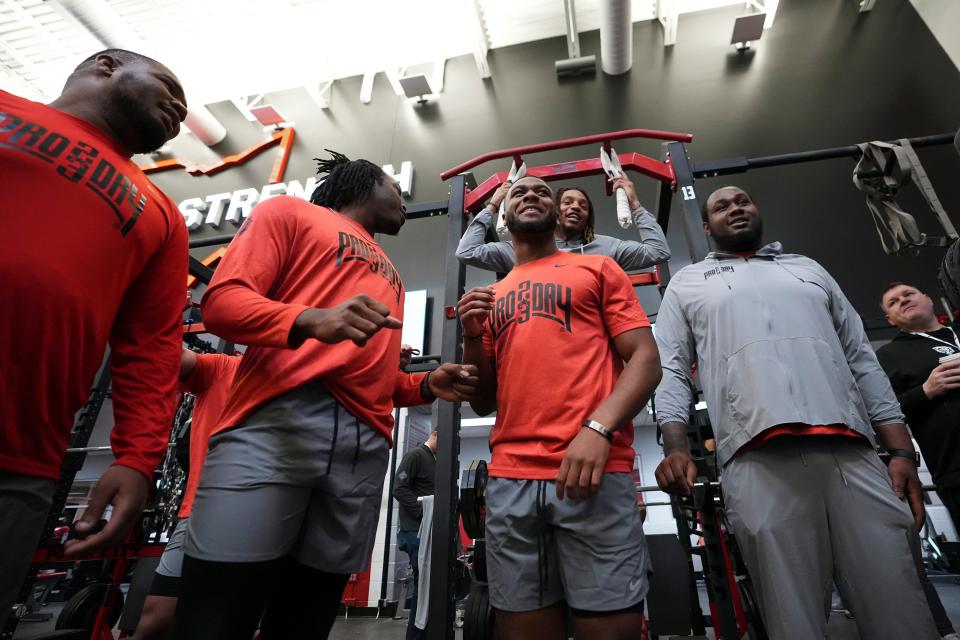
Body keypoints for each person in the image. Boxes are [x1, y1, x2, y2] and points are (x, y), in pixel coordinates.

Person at [171, 151, 479, 640]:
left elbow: (367, 375)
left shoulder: (393, 273)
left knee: (307, 616)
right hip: (279, 421)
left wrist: (423, 385)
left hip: (364, 444)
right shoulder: (288, 213)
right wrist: (311, 319)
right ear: (363, 182)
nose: (403, 200)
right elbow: (223, 303)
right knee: (218, 611)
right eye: (395, 190)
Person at [653, 185, 939, 639]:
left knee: (900, 606)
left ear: (757, 210)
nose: (736, 208)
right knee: (793, 619)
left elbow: (861, 358)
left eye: (744, 200)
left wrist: (901, 451)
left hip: (852, 456)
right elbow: (669, 368)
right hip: (755, 459)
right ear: (707, 228)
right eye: (722, 206)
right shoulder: (687, 284)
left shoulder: (808, 269)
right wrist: (675, 445)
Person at [0, 49, 189, 627]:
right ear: (105, 66)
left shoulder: (161, 213)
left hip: (20, 460)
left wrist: (138, 458)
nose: (180, 108)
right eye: (168, 86)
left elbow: (151, 349)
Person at [457, 176, 662, 640]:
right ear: (503, 216)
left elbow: (646, 360)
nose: (531, 195)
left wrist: (598, 428)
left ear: (557, 215)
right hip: (510, 481)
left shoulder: (599, 270)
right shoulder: (495, 294)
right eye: (520, 192)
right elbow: (483, 400)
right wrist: (471, 336)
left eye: (542, 192)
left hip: (591, 471)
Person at [132, 349, 241, 640]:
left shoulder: (303, 381)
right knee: (157, 620)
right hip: (203, 512)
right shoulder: (222, 368)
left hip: (270, 516)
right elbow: (164, 353)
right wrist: (165, 310)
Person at [456, 175, 670, 273]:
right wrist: (493, 205)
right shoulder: (519, 250)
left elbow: (658, 252)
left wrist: (634, 204)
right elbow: (467, 252)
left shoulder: (607, 250)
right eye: (567, 202)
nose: (575, 207)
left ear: (588, 218)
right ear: (552, 212)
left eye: (583, 205)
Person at [877, 283, 960, 530]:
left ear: (928, 298)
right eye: (893, 302)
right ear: (889, 319)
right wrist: (926, 390)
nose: (902, 300)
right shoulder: (889, 355)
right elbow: (883, 414)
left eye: (908, 294)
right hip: (954, 467)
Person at [393, 429, 438, 640]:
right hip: (414, 532)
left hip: (429, 533)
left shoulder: (436, 459)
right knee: (424, 589)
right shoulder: (416, 455)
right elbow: (399, 489)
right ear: (436, 435)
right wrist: (423, 511)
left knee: (430, 588)